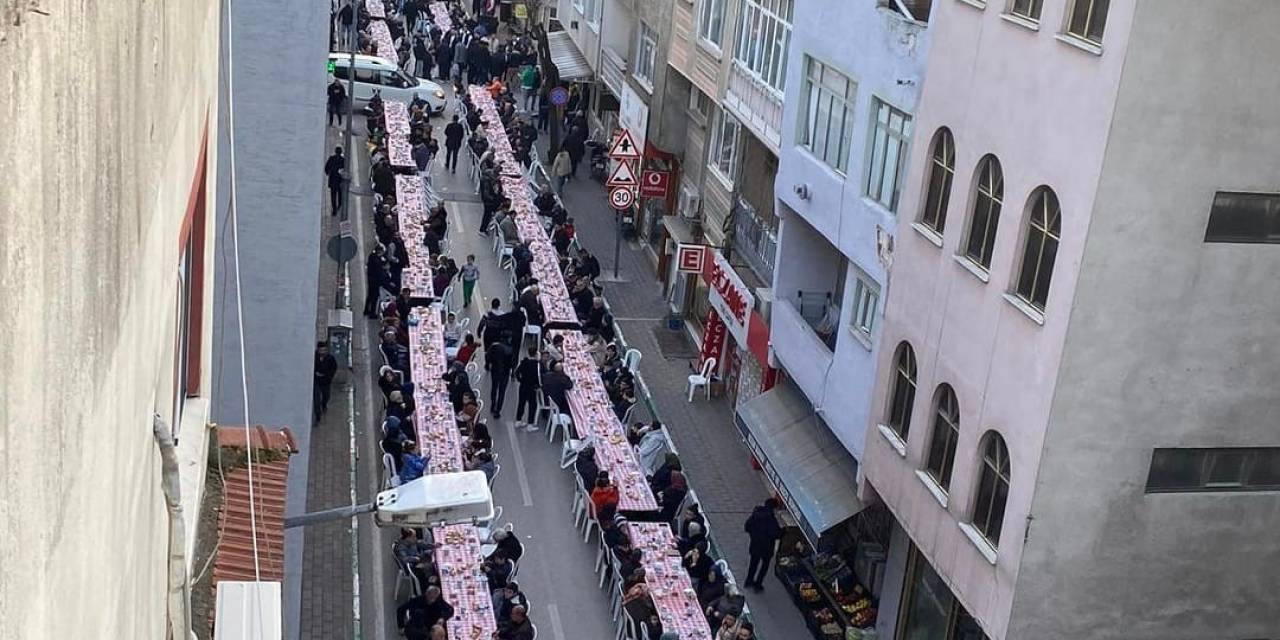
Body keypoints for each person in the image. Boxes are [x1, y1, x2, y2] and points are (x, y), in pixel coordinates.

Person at [742, 499, 783, 591]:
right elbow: (776, 534)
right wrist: (783, 531)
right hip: (766, 548)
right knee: (764, 566)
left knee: (753, 564)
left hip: (755, 545)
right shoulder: (771, 520)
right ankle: (758, 584)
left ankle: (749, 581)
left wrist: (754, 535)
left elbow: (747, 527)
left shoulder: (756, 514)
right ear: (774, 508)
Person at [513, 347, 541, 431]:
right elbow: (539, 377)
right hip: (532, 387)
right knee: (533, 405)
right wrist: (538, 385)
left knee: (521, 403)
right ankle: (530, 424)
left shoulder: (524, 362)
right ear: (536, 354)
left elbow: (517, 373)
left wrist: (521, 380)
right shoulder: (537, 365)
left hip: (523, 386)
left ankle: (518, 420)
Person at [486, 340, 513, 418]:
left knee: (494, 388)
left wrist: (490, 363)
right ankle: (498, 410)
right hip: (505, 372)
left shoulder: (494, 346)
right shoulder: (510, 349)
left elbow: (488, 356)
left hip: (495, 370)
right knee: (502, 392)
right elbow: (512, 363)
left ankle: (493, 405)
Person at [314, 341, 337, 417]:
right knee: (316, 399)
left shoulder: (330, 358)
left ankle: (324, 405)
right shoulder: (314, 357)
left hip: (326, 382)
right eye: (321, 350)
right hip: (316, 381)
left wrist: (328, 376)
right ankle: (318, 414)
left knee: (326, 396)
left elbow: (333, 368)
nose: (322, 352)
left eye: (324, 350)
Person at [324, 146, 346, 216]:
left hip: (333, 179)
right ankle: (339, 205)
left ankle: (334, 209)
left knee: (333, 195)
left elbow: (326, 167)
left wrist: (328, 173)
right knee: (340, 194)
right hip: (340, 180)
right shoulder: (343, 160)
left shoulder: (331, 159)